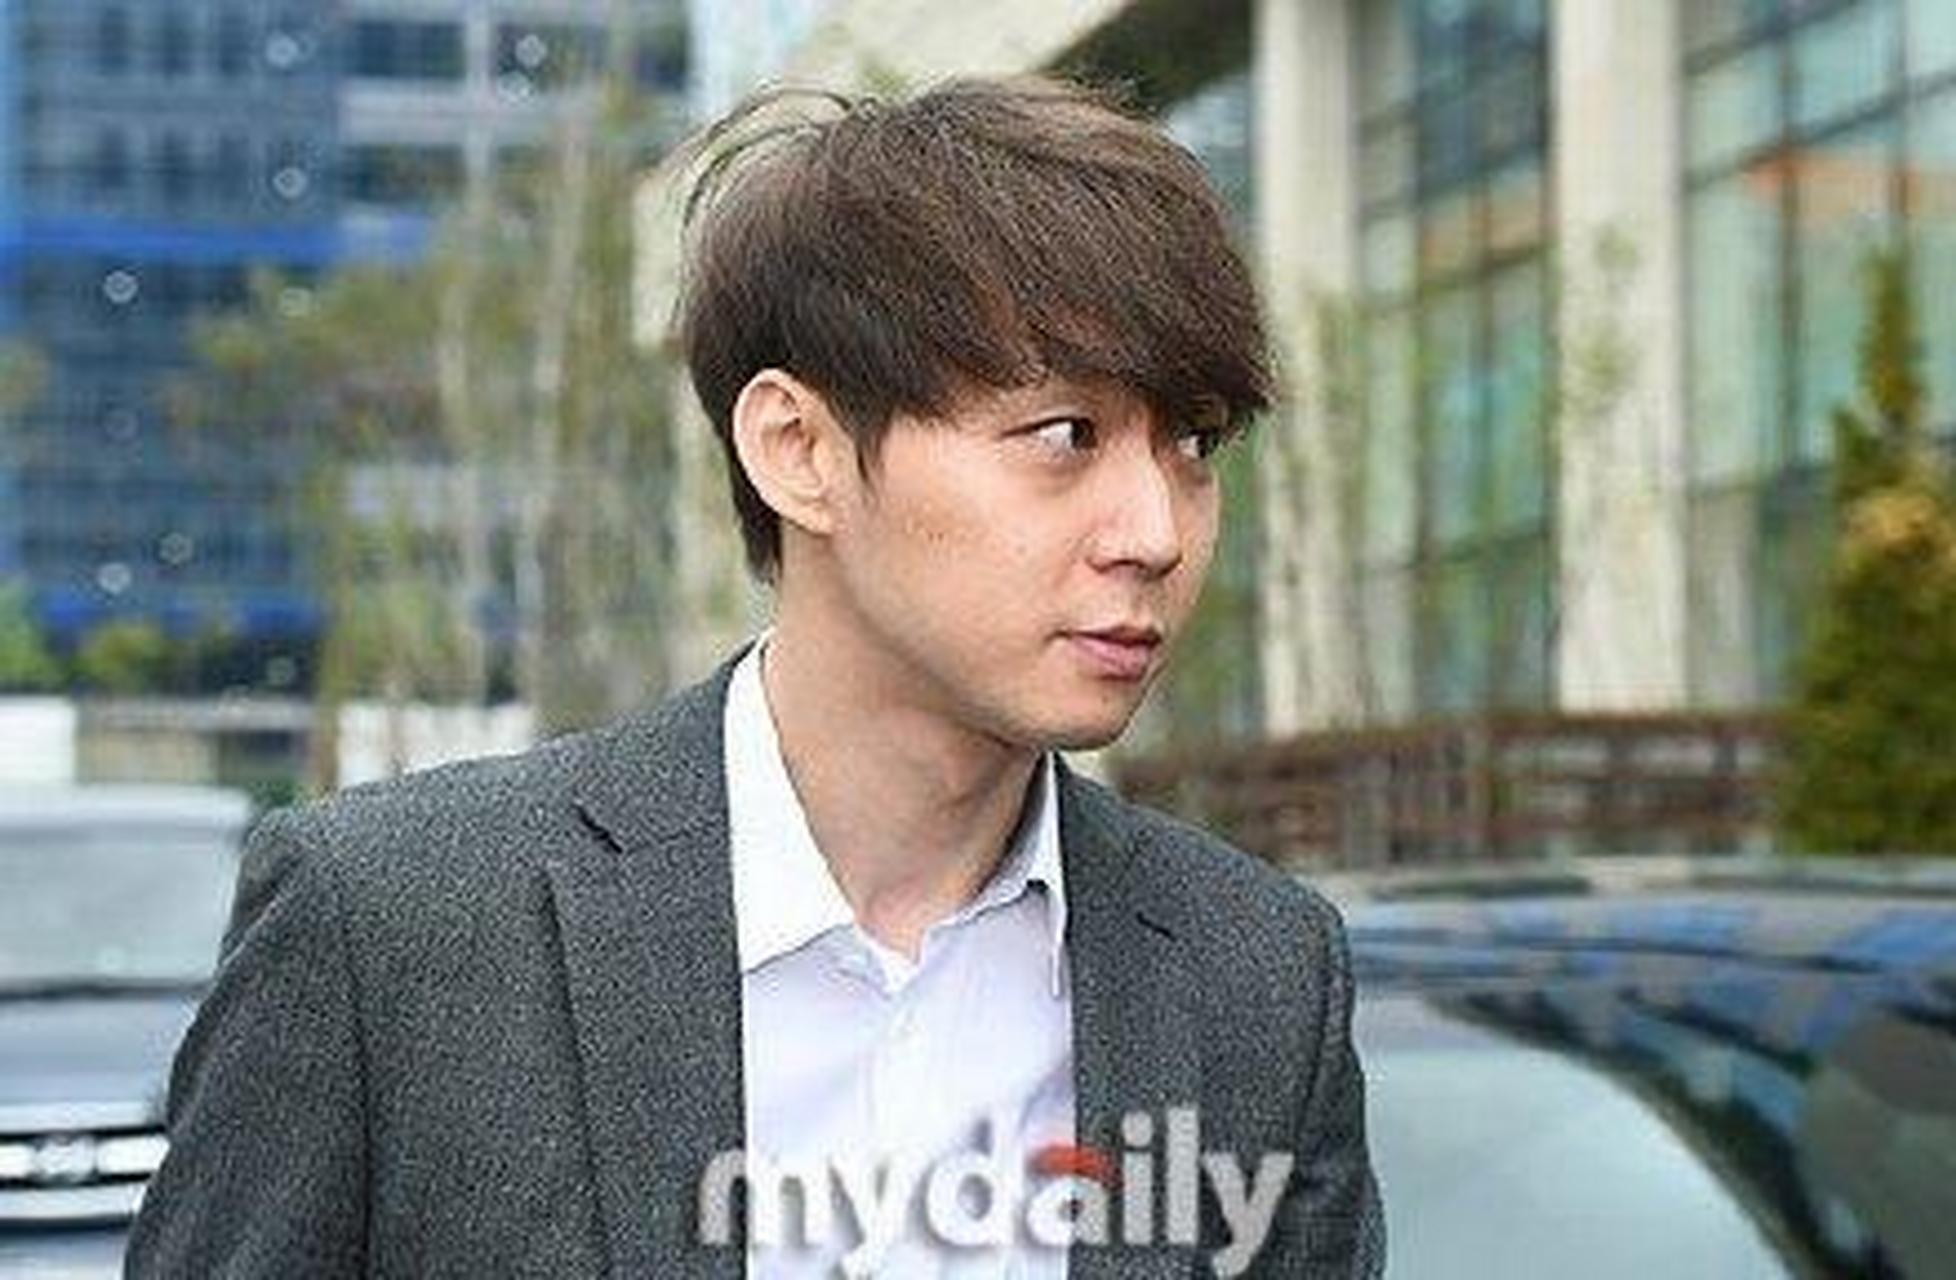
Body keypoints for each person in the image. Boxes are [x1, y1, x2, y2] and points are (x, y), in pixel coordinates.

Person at [128, 76, 1383, 1278]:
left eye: (1194, 442)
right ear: (799, 449)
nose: (1155, 530)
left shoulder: (1260, 976)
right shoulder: (394, 925)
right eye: (1066, 434)